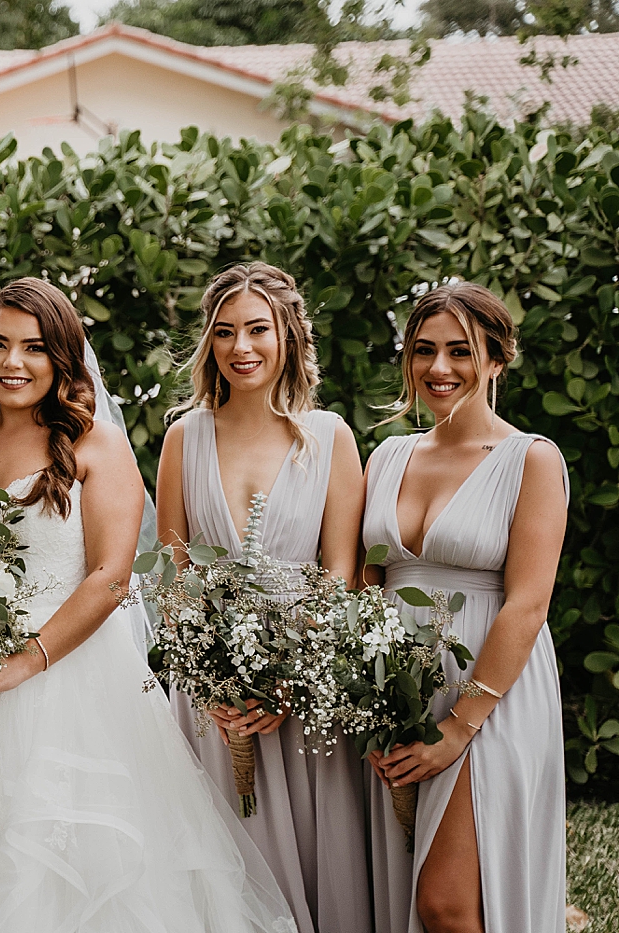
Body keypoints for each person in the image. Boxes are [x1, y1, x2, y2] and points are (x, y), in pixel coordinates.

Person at [0, 277, 297, 933]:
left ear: (63, 357)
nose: (12, 362)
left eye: (33, 348)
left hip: (71, 687)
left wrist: (22, 663)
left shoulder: (97, 445)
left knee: (62, 879)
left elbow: (109, 576)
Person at [155, 263, 371, 932]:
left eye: (257, 329)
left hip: (303, 693)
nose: (241, 348)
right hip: (210, 699)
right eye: (225, 333)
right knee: (222, 867)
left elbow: (341, 572)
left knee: (309, 860)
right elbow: (172, 573)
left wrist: (289, 677)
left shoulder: (330, 436)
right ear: (209, 344)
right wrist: (212, 679)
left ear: (288, 336)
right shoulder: (183, 437)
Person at [361, 282, 568, 933]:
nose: (439, 368)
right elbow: (364, 587)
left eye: (461, 350)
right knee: (406, 884)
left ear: (498, 359)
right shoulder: (387, 454)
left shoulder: (530, 459)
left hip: (489, 688)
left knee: (446, 904)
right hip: (398, 690)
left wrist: (460, 723)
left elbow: (528, 605)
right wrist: (366, 700)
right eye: (424, 350)